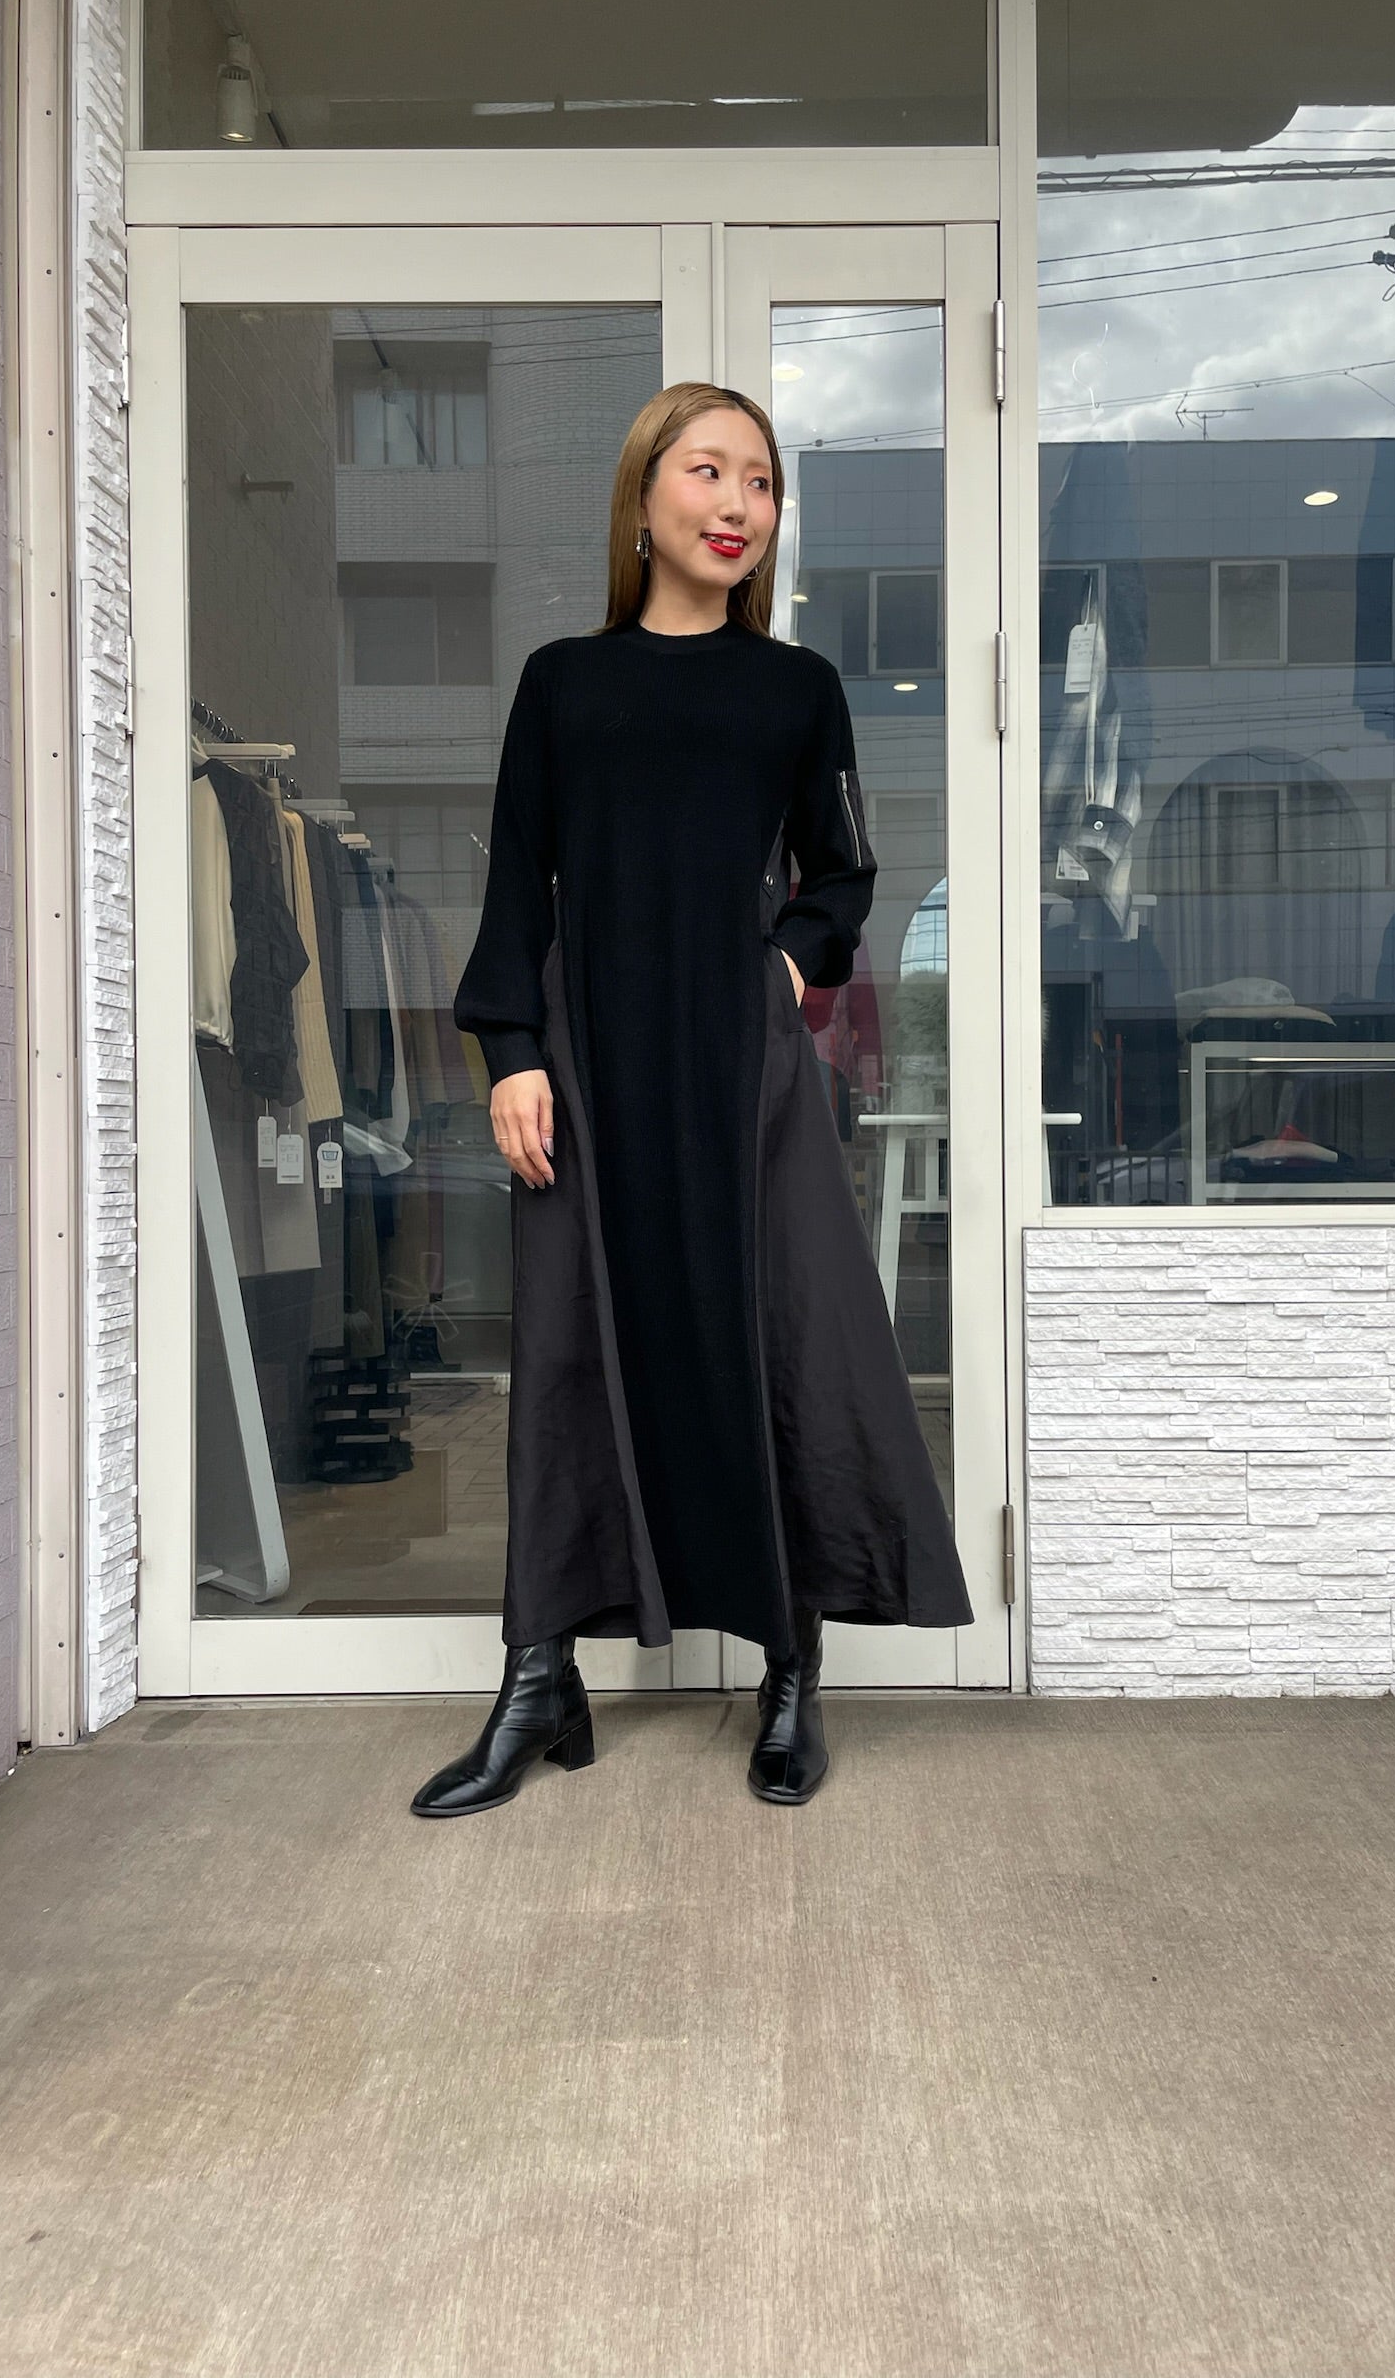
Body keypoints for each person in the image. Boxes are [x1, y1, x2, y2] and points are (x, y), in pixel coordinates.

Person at [410, 382, 973, 1819]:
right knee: (571, 1344)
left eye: (762, 482)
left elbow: (842, 875)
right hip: (589, 1060)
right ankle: (541, 1677)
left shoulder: (796, 690)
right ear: (644, 496)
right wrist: (512, 1051)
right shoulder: (562, 683)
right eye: (709, 472)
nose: (738, 505)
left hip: (742, 1066)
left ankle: (792, 1667)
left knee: (781, 1337)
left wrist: (783, 969)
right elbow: (516, 886)